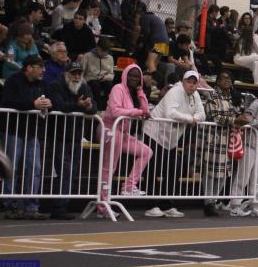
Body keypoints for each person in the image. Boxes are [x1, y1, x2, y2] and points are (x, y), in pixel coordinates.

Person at [143, 71, 206, 218]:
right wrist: (191, 119)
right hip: (154, 133)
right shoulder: (175, 91)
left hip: (171, 139)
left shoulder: (195, 95)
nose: (192, 85)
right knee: (153, 169)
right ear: (183, 82)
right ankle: (151, 205)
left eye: (194, 82)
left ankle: (167, 205)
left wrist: (193, 118)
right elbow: (170, 113)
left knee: (172, 171)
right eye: (189, 82)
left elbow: (202, 115)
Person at [0, 56, 52, 220]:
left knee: (34, 169)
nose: (43, 70)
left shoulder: (43, 84)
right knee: (11, 168)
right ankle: (10, 205)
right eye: (40, 67)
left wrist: (49, 104)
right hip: (13, 130)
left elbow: (50, 101)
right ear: (29, 68)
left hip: (32, 132)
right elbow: (8, 102)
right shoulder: (13, 81)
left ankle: (31, 207)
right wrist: (32, 104)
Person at [99, 64, 154, 218]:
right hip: (110, 129)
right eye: (131, 75)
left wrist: (140, 91)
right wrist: (137, 112)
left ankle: (129, 186)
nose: (134, 79)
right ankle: (102, 206)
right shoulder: (117, 88)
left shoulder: (133, 93)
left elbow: (146, 111)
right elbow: (115, 111)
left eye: (137, 76)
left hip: (122, 132)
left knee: (146, 152)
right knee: (109, 168)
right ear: (125, 75)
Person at [44, 61, 96, 219]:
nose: (77, 76)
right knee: (64, 170)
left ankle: (62, 205)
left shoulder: (84, 87)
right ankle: (58, 206)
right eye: (74, 73)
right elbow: (59, 106)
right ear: (66, 74)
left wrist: (87, 107)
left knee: (71, 171)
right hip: (58, 135)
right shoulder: (55, 85)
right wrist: (79, 106)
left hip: (75, 136)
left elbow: (93, 107)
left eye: (79, 73)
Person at [202, 71, 246, 216]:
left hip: (229, 140)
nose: (227, 81)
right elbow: (214, 117)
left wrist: (241, 118)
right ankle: (208, 203)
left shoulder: (233, 97)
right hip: (215, 139)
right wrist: (235, 120)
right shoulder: (212, 96)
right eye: (223, 78)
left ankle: (214, 200)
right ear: (217, 82)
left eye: (229, 78)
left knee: (224, 173)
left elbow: (239, 113)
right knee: (211, 173)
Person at [229, 86, 258, 218]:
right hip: (250, 144)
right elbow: (248, 120)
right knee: (243, 176)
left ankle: (255, 205)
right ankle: (235, 206)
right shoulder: (256, 104)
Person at [83, 36, 116, 101]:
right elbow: (82, 71)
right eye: (102, 50)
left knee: (109, 85)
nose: (103, 53)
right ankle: (96, 105)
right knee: (95, 85)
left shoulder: (110, 58)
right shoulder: (87, 56)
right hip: (91, 79)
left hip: (103, 79)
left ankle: (108, 104)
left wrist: (107, 77)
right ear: (97, 47)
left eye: (105, 51)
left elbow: (111, 73)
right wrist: (83, 82)